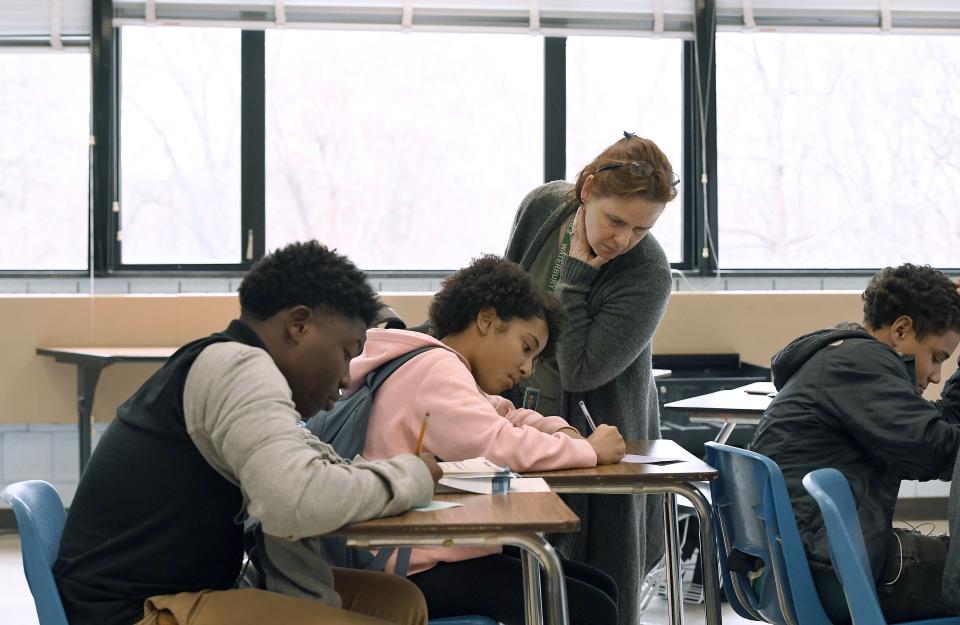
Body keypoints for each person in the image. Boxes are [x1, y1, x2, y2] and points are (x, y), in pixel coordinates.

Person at [53, 241, 439, 625]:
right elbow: (296, 502)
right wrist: (414, 475)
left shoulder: (232, 363)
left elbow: (305, 478)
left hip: (194, 590)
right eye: (346, 352)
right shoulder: (237, 369)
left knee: (399, 601)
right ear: (299, 325)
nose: (344, 379)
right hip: (133, 611)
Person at [346, 255, 625, 625]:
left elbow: (502, 414)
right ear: (487, 319)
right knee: (594, 607)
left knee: (600, 587)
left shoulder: (436, 364)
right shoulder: (436, 370)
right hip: (404, 566)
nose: (527, 368)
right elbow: (498, 445)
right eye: (526, 347)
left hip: (416, 551)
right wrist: (587, 449)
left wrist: (560, 430)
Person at [503, 131, 680, 624]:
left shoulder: (647, 273)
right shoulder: (543, 208)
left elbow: (580, 369)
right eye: (615, 220)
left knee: (598, 595)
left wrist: (578, 271)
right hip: (520, 428)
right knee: (520, 588)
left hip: (599, 444)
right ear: (585, 191)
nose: (622, 240)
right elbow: (505, 295)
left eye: (640, 229)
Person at [750, 263, 960, 624]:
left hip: (805, 563)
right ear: (901, 330)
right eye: (936, 358)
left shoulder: (844, 358)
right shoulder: (860, 366)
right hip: (832, 575)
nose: (936, 375)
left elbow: (938, 428)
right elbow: (936, 451)